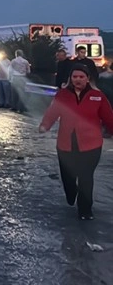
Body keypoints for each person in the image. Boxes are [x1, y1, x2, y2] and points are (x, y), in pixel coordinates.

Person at [38, 64, 113, 220]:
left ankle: (85, 210)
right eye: (75, 77)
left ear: (88, 79)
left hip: (91, 145)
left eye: (81, 77)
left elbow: (109, 117)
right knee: (68, 176)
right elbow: (53, 111)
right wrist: (45, 125)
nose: (78, 80)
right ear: (70, 78)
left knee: (86, 176)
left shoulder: (97, 96)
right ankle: (71, 192)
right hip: (66, 143)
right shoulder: (63, 95)